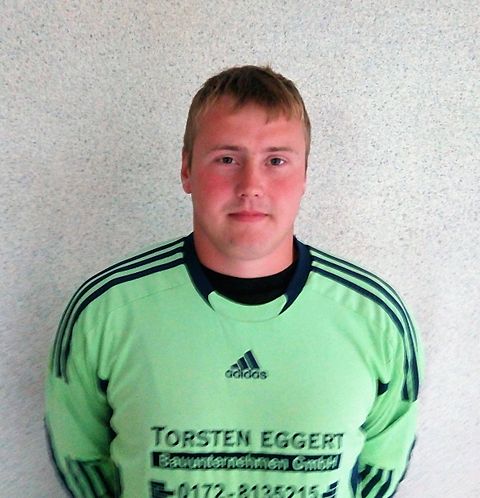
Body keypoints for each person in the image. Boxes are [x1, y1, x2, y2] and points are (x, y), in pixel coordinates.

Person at [45, 65, 423, 498]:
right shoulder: (106, 311)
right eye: (227, 159)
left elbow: (380, 469)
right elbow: (82, 463)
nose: (251, 185)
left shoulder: (376, 318)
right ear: (186, 170)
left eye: (276, 161)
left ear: (304, 175)